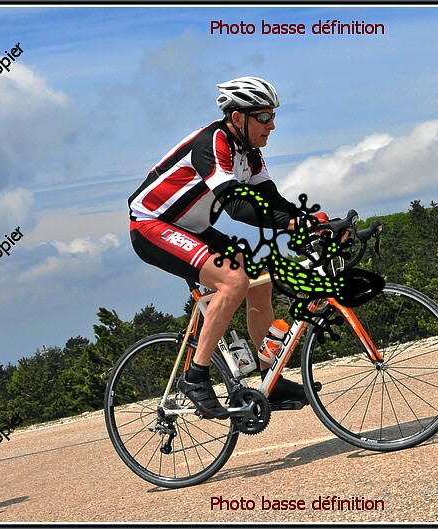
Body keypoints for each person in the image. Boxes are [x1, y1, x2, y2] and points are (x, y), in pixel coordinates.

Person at [128, 76, 319, 419]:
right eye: (263, 117)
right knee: (233, 281)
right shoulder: (212, 142)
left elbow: (272, 201)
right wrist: (295, 224)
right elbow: (238, 207)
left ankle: (269, 378)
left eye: (273, 116)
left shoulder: (251, 154)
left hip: (193, 228)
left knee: (259, 279)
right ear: (237, 117)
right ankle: (195, 376)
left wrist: (315, 222)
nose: (272, 125)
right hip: (151, 225)